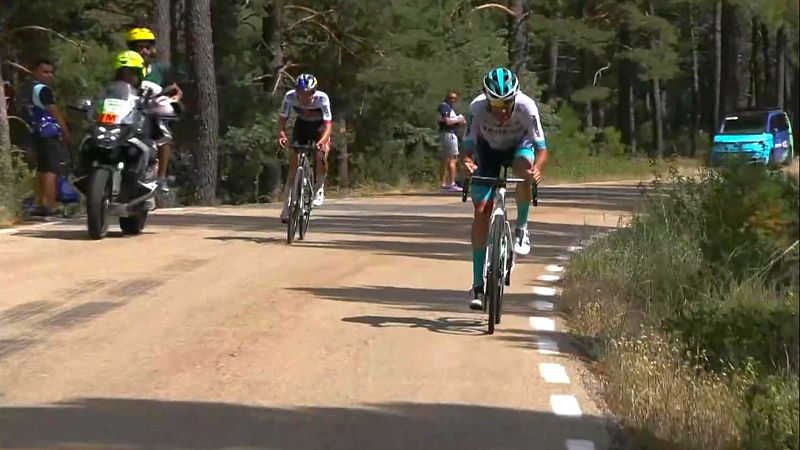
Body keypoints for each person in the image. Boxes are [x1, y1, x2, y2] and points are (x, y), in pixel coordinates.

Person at [462, 67, 549, 310]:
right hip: (488, 150)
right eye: (496, 105)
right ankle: (478, 285)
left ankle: (522, 227)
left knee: (524, 169)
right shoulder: (477, 108)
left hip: (519, 147)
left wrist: (537, 169)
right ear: (487, 100)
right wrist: (467, 161)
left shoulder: (527, 107)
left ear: (515, 98)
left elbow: (542, 149)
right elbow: (468, 145)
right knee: (481, 210)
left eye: (506, 104)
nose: (501, 111)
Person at [125, 27, 182, 192]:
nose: (144, 51)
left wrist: (172, 100)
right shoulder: (125, 67)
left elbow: (175, 90)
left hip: (151, 112)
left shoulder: (160, 69)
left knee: (163, 136)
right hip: (127, 110)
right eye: (139, 47)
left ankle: (161, 178)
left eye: (147, 47)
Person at [277, 73, 333, 223]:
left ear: (314, 92)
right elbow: (282, 120)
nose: (304, 97)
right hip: (302, 126)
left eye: (308, 93)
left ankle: (319, 186)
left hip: (320, 128)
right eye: (301, 93)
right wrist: (282, 134)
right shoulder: (290, 97)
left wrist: (322, 142)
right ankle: (286, 207)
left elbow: (328, 126)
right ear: (296, 90)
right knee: (293, 169)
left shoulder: (322, 98)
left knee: (321, 154)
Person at [21, 59, 71, 217]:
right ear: (35, 72)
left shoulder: (29, 89)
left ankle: (40, 204)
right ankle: (51, 206)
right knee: (51, 170)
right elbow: (55, 113)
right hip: (48, 134)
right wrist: (65, 132)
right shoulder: (43, 90)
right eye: (45, 72)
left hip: (35, 134)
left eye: (51, 72)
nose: (49, 75)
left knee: (42, 170)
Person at [437, 91, 466, 192]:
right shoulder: (444, 107)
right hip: (449, 134)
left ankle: (444, 183)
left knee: (446, 159)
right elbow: (448, 121)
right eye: (451, 98)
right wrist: (459, 120)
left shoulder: (449, 108)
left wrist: (458, 120)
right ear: (447, 97)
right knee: (452, 158)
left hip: (449, 133)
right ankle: (452, 183)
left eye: (454, 98)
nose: (453, 100)